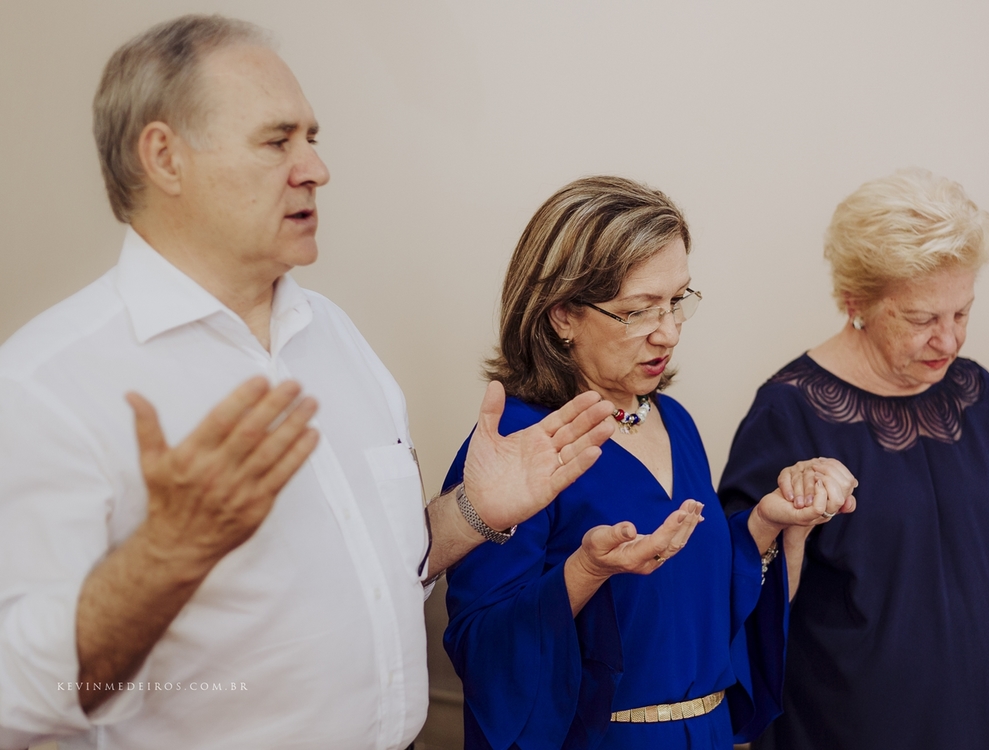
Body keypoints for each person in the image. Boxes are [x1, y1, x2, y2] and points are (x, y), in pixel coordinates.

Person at [0, 15, 615, 750]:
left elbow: (378, 573)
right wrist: (165, 558)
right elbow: (17, 701)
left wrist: (473, 511)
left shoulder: (335, 335)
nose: (316, 169)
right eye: (277, 141)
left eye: (312, 138)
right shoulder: (45, 387)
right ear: (165, 157)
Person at [717, 167, 989, 749]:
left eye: (962, 313)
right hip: (846, 721)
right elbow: (738, 591)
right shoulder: (787, 411)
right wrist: (788, 520)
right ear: (855, 302)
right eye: (922, 319)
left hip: (982, 717)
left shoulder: (975, 394)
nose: (949, 340)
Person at [440, 176, 859, 749]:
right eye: (639, 311)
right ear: (563, 316)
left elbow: (693, 614)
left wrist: (769, 523)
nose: (669, 333)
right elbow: (482, 651)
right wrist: (585, 572)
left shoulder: (674, 421)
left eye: (677, 301)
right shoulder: (519, 441)